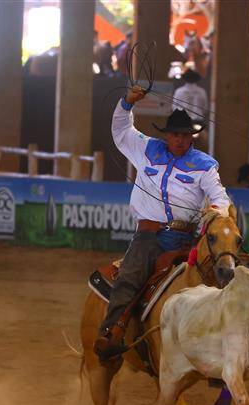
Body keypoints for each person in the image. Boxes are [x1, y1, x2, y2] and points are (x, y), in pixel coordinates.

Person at [93, 85, 231, 362]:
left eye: (185, 136)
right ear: (167, 135)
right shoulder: (146, 149)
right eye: (175, 135)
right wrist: (127, 102)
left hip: (186, 238)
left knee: (224, 275)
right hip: (149, 237)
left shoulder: (204, 165)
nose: (180, 140)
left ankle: (226, 344)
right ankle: (111, 332)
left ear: (193, 137)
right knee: (131, 274)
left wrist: (216, 210)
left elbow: (220, 197)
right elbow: (121, 130)